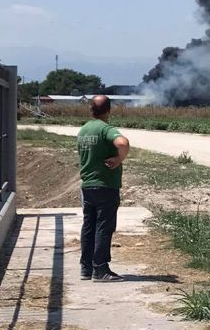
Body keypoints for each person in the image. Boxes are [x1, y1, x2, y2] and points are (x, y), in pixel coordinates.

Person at [77, 95, 130, 282]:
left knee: (88, 226)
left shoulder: (83, 130)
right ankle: (100, 269)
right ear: (108, 110)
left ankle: (86, 267)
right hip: (105, 185)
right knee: (103, 227)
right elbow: (123, 143)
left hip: (87, 185)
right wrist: (118, 159)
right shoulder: (105, 129)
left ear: (91, 109)